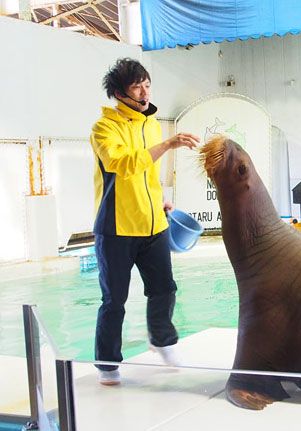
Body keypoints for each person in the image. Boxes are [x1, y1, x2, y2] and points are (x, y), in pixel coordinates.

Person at [90, 58, 200, 385]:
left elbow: (147, 172)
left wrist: (159, 197)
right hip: (116, 227)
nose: (145, 90)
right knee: (114, 301)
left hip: (153, 223)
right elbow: (121, 164)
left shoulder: (150, 124)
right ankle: (107, 363)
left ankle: (162, 340)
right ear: (120, 93)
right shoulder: (104, 128)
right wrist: (167, 144)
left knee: (164, 289)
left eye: (147, 83)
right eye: (137, 85)